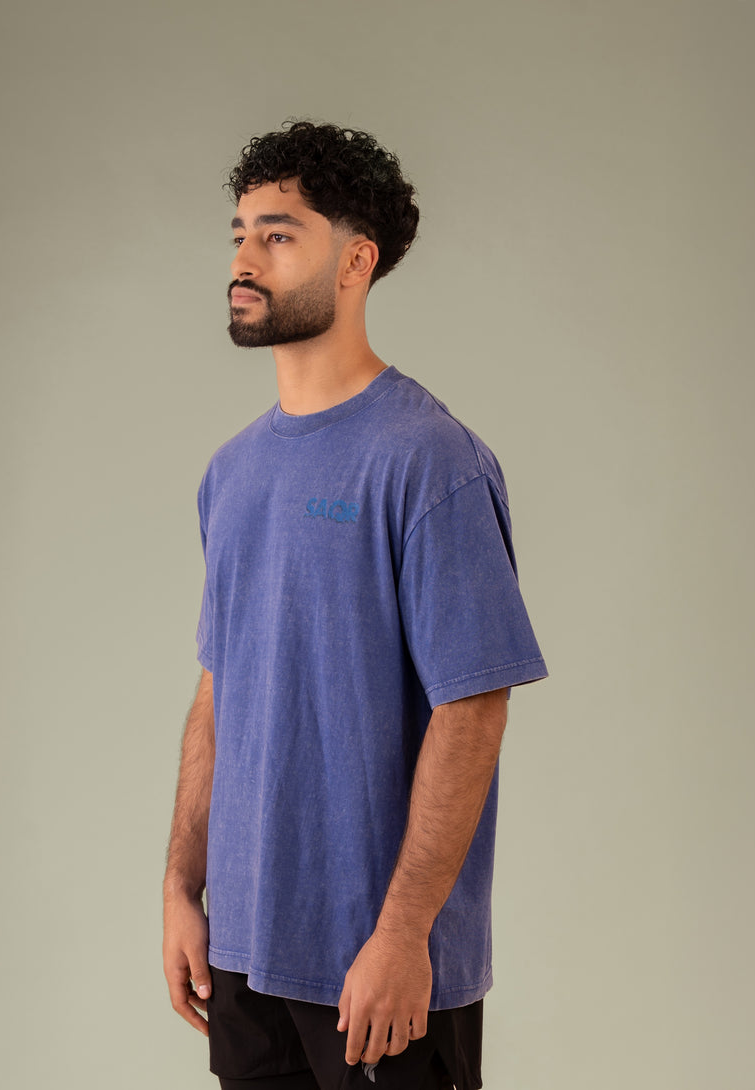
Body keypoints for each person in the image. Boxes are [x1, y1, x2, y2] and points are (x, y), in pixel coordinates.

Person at [163, 121, 547, 1090]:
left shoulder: (429, 461)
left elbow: (473, 708)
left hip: (376, 969)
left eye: (278, 234)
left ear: (355, 260)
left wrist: (404, 933)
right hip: (244, 956)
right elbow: (218, 688)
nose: (244, 260)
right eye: (240, 234)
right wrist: (181, 885)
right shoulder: (231, 472)